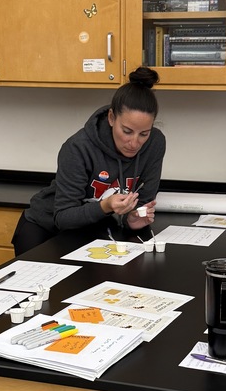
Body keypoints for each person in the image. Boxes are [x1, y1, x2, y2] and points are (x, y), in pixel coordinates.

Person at [12, 66, 165, 254]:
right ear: (111, 118)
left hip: (92, 227)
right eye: (127, 131)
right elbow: (63, 216)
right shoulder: (78, 147)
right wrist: (105, 206)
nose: (134, 143)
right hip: (45, 227)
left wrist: (131, 219)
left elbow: (143, 200)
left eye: (144, 134)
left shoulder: (155, 144)